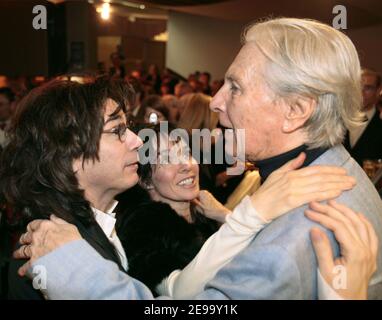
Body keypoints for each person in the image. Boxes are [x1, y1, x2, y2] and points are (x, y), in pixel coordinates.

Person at [11, 17, 382, 299]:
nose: (217, 101)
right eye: (116, 130)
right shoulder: (338, 174)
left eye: (235, 87)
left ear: (296, 109)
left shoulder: (296, 237)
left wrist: (74, 270)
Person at [0, 77, 143, 299]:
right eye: (117, 130)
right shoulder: (45, 250)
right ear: (68, 154)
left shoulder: (106, 222)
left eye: (128, 127)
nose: (137, 141)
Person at [343, 69, 382, 165]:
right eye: (358, 87)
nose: (361, 93)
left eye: (368, 88)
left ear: (378, 91)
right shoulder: (340, 119)